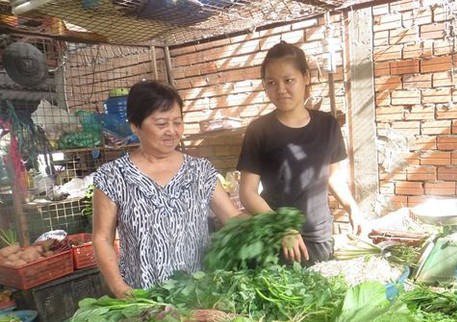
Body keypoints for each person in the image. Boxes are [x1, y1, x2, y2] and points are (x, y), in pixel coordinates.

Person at [92, 80, 245, 298]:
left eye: (177, 122)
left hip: (199, 294)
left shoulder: (200, 171)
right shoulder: (113, 176)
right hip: (143, 297)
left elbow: (232, 218)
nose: (172, 131)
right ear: (135, 126)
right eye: (161, 124)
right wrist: (120, 288)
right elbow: (102, 239)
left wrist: (273, 227)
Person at [237, 41, 363, 266]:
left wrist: (352, 207)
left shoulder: (328, 125)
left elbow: (333, 176)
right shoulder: (259, 130)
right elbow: (247, 192)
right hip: (275, 239)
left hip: (317, 237)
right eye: (271, 83)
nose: (280, 90)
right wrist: (280, 226)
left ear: (305, 77)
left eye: (288, 80)